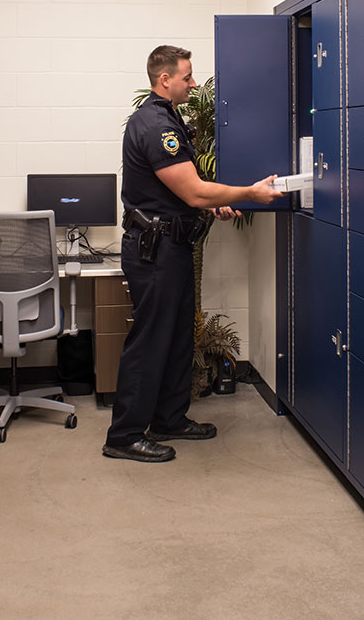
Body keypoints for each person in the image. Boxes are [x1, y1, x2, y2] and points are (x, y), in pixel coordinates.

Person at [102, 45, 283, 463]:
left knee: (178, 338)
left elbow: (184, 191)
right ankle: (124, 434)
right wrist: (249, 192)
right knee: (150, 342)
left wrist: (211, 204)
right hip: (155, 251)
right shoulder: (154, 125)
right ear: (165, 79)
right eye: (187, 77)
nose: (193, 84)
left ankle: (168, 418)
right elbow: (193, 188)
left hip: (172, 245)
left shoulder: (169, 119)